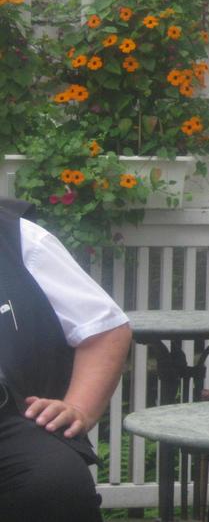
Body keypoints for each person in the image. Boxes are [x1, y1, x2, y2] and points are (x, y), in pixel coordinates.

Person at [0, 197, 132, 522]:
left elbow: (103, 327)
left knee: (57, 481)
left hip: (7, 422)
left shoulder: (16, 237)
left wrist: (79, 408)